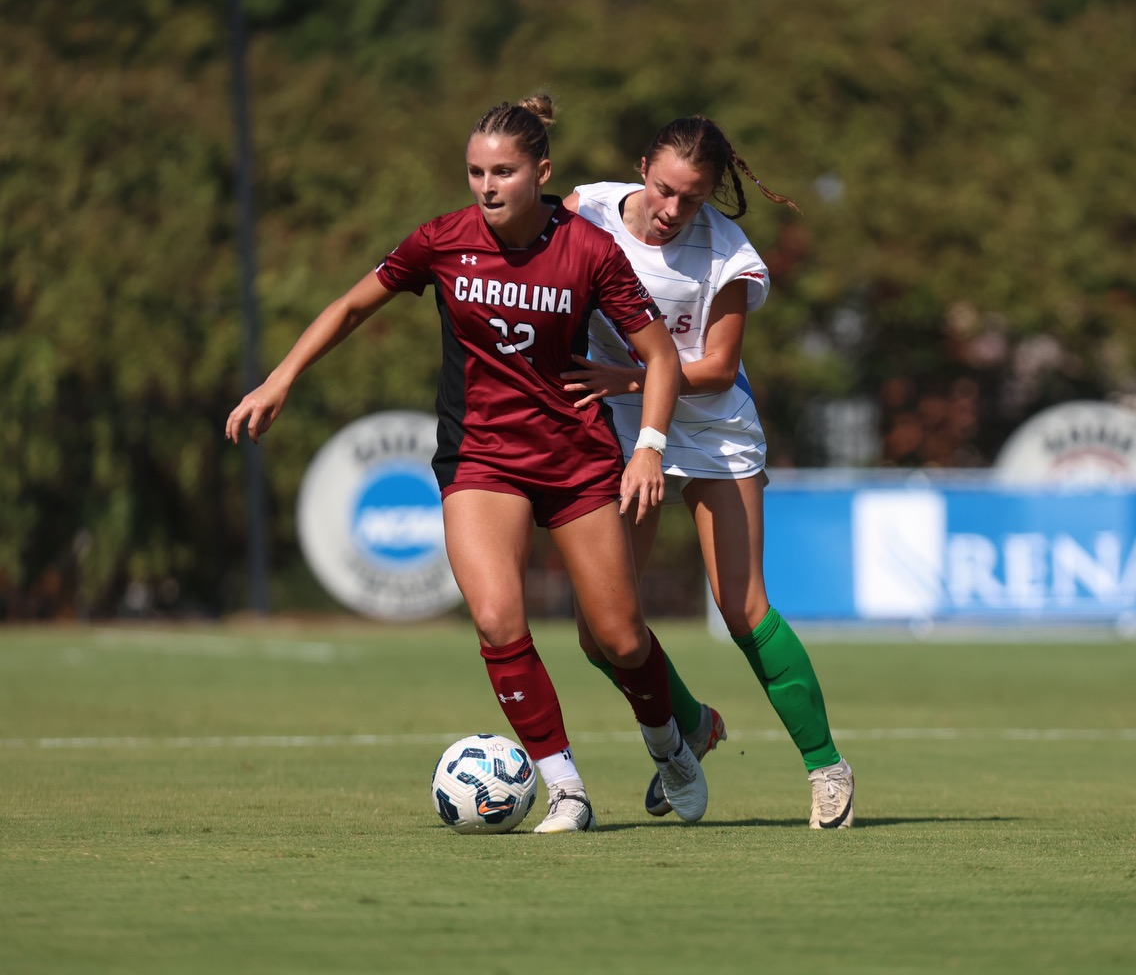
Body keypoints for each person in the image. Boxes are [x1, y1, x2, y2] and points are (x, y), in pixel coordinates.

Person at [225, 95, 709, 833]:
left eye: (504, 172)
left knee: (618, 637)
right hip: (481, 457)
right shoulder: (442, 241)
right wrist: (281, 376)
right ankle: (566, 788)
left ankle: (670, 747)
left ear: (541, 172)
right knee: (495, 619)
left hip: (577, 460)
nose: (487, 186)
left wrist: (648, 448)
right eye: (477, 172)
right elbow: (353, 305)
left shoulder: (587, 248)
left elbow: (659, 358)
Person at [560, 115, 855, 829]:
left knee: (742, 607)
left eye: (689, 200)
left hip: (711, 426)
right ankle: (692, 724)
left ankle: (827, 768)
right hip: (622, 420)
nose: (670, 211)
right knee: (602, 631)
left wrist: (626, 380)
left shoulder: (728, 253)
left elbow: (719, 370)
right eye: (662, 190)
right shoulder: (587, 210)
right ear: (641, 169)